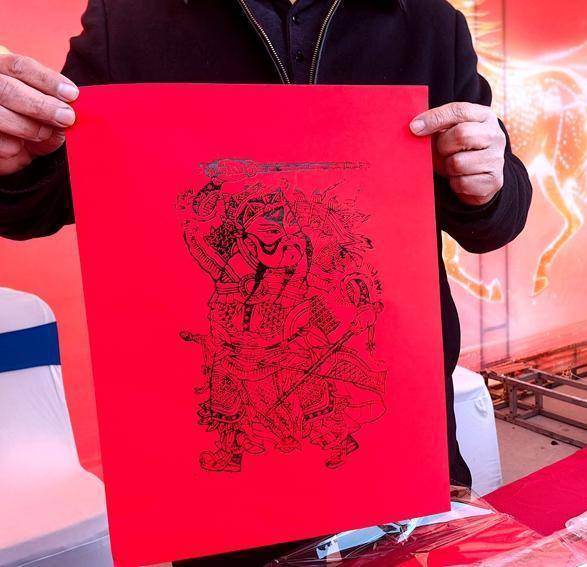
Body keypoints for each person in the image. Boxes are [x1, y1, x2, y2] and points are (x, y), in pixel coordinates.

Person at [0, 1, 532, 563]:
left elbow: (494, 221)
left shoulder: (429, 23)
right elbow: (48, 198)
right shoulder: (129, 19)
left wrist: (489, 182)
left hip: (404, 444)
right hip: (216, 494)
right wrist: (17, 161)